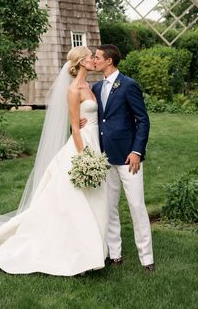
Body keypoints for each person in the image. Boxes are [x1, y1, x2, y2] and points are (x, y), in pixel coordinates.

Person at [0, 46, 109, 276]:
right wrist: (85, 157)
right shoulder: (73, 90)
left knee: (91, 197)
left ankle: (93, 248)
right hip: (81, 149)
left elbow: (86, 119)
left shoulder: (89, 86)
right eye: (90, 56)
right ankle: (74, 250)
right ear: (80, 61)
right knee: (72, 200)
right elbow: (74, 128)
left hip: (93, 143)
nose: (93, 59)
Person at [83, 44, 154, 271]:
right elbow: (96, 117)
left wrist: (136, 151)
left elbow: (142, 121)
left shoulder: (129, 85)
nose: (94, 60)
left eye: (97, 57)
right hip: (104, 157)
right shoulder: (95, 87)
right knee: (110, 207)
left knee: (136, 206)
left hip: (128, 158)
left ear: (109, 61)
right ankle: (115, 254)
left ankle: (147, 258)